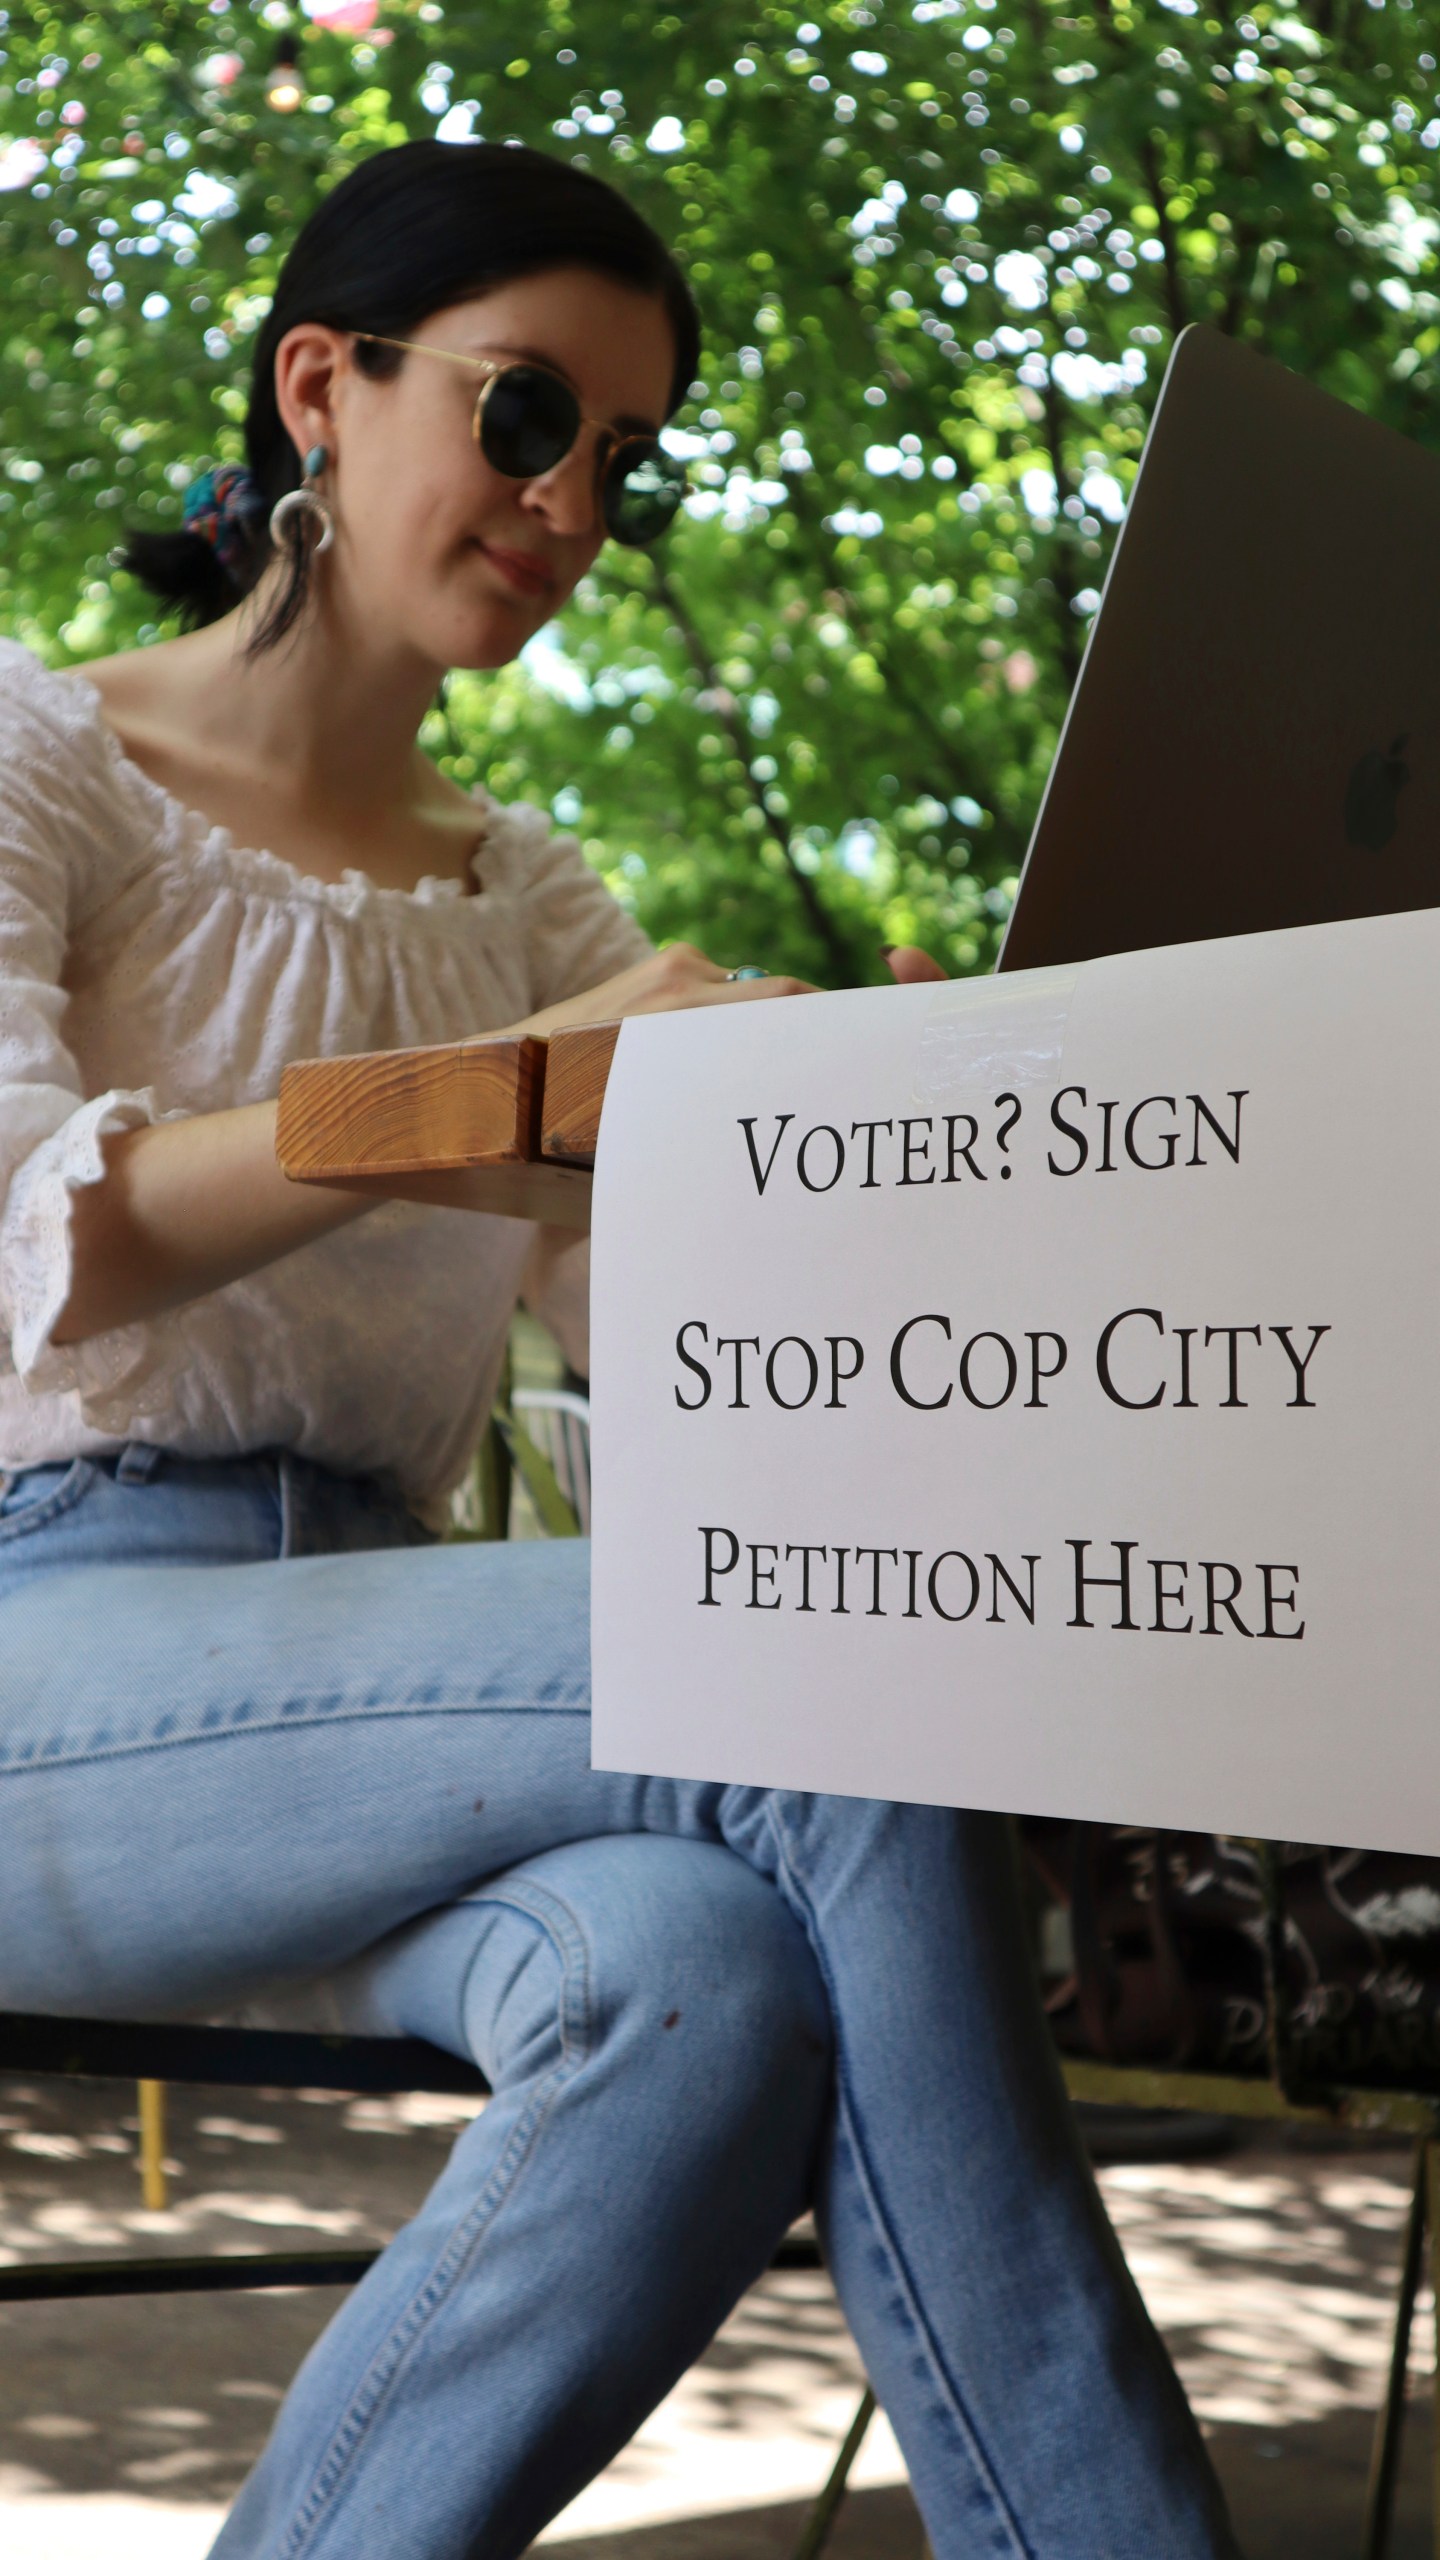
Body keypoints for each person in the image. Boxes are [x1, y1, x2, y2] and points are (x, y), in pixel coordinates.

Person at [0, 139, 1239, 2559]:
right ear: (321, 389)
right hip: (51, 1655)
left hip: (381, 1695)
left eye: (627, 461)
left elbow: (661, 1347)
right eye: (530, 411)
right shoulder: (47, 763)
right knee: (807, 1682)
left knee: (699, 1984)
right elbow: (25, 1246)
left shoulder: (529, 892)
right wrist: (494, 1098)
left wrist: (927, 1184)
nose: (575, 501)